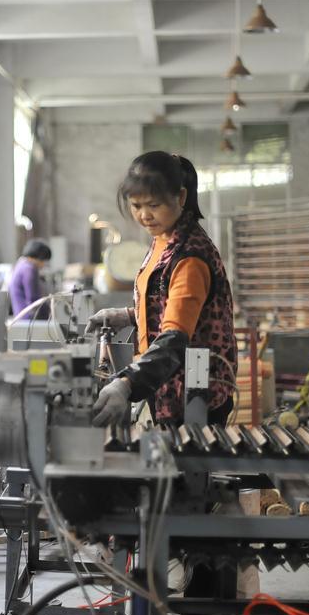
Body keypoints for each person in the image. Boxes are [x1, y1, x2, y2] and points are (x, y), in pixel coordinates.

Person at [87, 151, 237, 428]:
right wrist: (129, 316)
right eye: (136, 205)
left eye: (154, 205)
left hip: (194, 393)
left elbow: (175, 339)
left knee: (186, 467)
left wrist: (127, 384)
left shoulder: (189, 258)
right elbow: (168, 303)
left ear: (180, 198)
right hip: (167, 382)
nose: (144, 215)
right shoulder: (163, 240)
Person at [9, 239, 52, 319]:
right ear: (39, 257)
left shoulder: (21, 264)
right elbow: (33, 298)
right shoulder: (29, 269)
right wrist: (49, 310)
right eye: (43, 261)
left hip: (19, 315)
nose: (43, 265)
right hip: (28, 318)